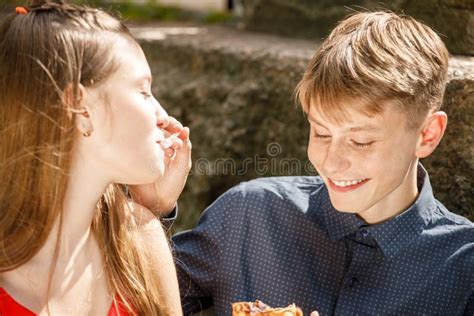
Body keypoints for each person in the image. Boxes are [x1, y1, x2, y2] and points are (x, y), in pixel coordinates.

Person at [170, 11, 474, 316]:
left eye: (360, 141)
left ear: (427, 134)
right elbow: (135, 298)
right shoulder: (247, 216)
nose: (331, 162)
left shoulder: (464, 268)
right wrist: (153, 206)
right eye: (321, 133)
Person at [0, 1, 191, 315]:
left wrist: (152, 210)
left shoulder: (141, 237)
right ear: (81, 108)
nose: (164, 116)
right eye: (144, 91)